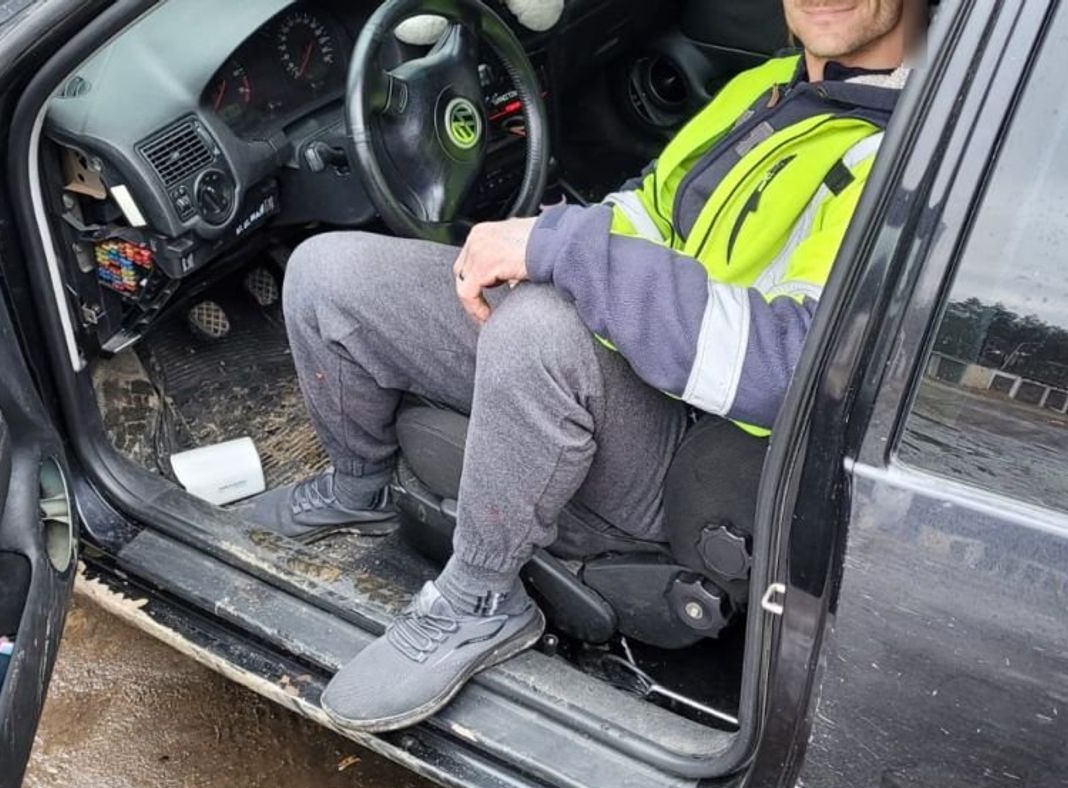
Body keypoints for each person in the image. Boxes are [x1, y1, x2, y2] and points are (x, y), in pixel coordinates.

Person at [238, 0, 923, 732]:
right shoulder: (771, 86)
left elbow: (790, 367)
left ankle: (478, 600)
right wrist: (543, 244)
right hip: (625, 346)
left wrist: (566, 254)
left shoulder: (905, 159)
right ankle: (360, 485)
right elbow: (647, 211)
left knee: (538, 328)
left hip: (693, 448)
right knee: (326, 276)